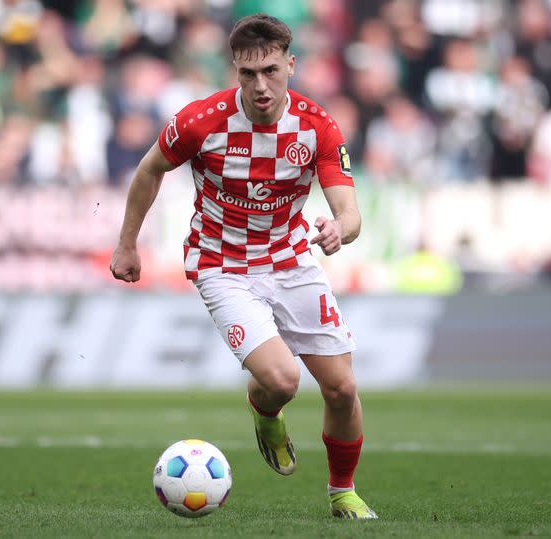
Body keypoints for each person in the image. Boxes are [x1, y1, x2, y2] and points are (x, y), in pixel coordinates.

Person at [109, 13, 376, 520]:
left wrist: (341, 227)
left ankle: (342, 491)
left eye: (271, 71)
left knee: (342, 388)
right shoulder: (199, 121)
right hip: (222, 263)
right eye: (248, 74)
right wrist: (127, 244)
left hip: (292, 259)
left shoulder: (317, 125)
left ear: (291, 65)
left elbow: (350, 209)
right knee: (282, 381)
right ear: (235, 70)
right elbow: (149, 170)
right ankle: (266, 410)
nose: (261, 85)